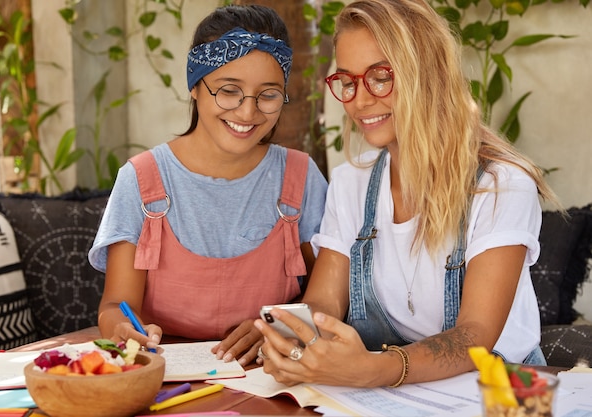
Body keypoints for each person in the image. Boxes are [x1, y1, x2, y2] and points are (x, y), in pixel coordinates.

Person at [253, 0, 562, 387]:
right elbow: (325, 304)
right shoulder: (351, 183)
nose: (360, 100)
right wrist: (293, 340)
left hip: (496, 391)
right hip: (387, 395)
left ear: (428, 75)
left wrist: (375, 370)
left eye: (380, 76)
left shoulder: (501, 185)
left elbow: (476, 334)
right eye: (347, 81)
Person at [88, 4, 327, 366]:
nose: (248, 113)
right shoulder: (141, 179)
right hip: (163, 374)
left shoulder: (301, 177)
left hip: (271, 376)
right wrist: (121, 328)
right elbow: (115, 306)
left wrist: (278, 325)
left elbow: (328, 296)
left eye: (268, 94)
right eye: (229, 90)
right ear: (195, 87)